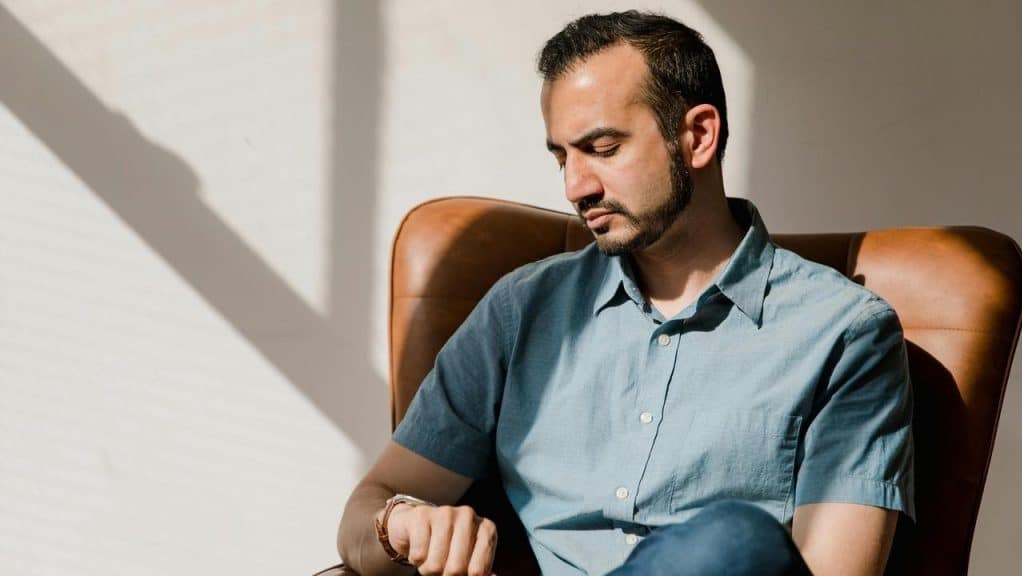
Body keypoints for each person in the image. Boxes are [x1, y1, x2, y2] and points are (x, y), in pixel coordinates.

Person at [338, 10, 913, 576]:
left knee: (732, 541)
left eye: (603, 148)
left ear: (698, 135)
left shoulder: (843, 331)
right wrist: (402, 524)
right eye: (562, 156)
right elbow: (370, 508)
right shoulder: (520, 311)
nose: (575, 186)